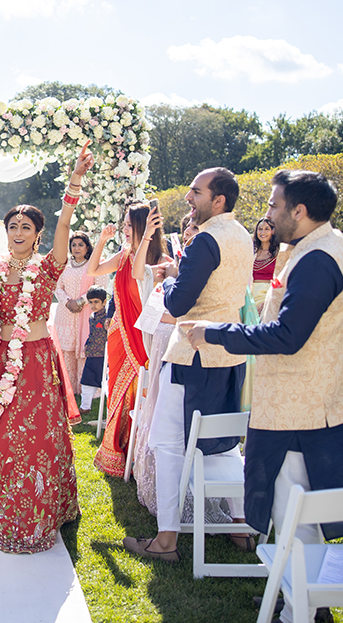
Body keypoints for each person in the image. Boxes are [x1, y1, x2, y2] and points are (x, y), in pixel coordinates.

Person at [183, 169, 343, 623]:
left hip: (302, 411)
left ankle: (302, 610)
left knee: (296, 512)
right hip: (299, 403)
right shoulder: (317, 245)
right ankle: (298, 599)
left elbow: (288, 335)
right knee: (294, 513)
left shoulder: (317, 260)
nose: (267, 214)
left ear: (298, 212)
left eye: (273, 205)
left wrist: (215, 332)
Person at [0, 142, 93, 554]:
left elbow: (65, 227)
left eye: (26, 227)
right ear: (5, 231)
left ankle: (40, 506)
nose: (18, 233)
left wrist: (74, 182)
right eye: (13, 226)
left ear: (38, 234)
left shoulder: (46, 267)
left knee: (37, 439)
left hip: (35, 362)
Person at [122, 168, 253, 562]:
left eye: (195, 192)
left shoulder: (205, 240)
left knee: (166, 442)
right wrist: (183, 272)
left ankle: (166, 541)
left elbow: (177, 305)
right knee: (223, 441)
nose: (187, 199)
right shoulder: (242, 235)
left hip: (192, 355)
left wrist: (171, 281)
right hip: (230, 350)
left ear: (218, 201)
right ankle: (241, 526)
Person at [88, 202, 168, 476]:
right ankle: (116, 448)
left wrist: (145, 238)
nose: (123, 229)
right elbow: (92, 270)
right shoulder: (122, 256)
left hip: (144, 336)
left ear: (143, 227)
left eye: (128, 225)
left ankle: (138, 450)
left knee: (141, 390)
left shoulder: (161, 262)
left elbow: (140, 276)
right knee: (119, 391)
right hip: (119, 335)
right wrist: (101, 240)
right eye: (123, 224)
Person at [132, 217, 197, 516]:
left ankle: (178, 487)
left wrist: (167, 282)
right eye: (187, 229)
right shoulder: (177, 261)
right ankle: (155, 475)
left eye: (195, 229)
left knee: (173, 410)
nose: (188, 234)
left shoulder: (194, 265)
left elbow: (182, 310)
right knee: (158, 400)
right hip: (161, 337)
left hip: (180, 338)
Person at [54, 231, 99, 396]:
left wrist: (79, 302)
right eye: (74, 245)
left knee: (83, 351)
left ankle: (84, 389)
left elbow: (98, 288)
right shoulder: (65, 266)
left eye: (81, 244)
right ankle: (68, 387)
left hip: (86, 312)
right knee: (67, 351)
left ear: (87, 247)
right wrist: (68, 302)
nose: (77, 248)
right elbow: (57, 287)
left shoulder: (94, 265)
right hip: (65, 314)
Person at [79, 286, 108, 412]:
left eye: (96, 302)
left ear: (104, 302)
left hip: (104, 356)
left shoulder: (108, 318)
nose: (93, 305)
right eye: (90, 302)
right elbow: (91, 333)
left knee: (107, 384)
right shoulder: (92, 316)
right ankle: (85, 407)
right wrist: (87, 344)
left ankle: (110, 411)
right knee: (87, 381)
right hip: (92, 355)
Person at [251, 217, 278, 314]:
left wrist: (267, 300)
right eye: (260, 229)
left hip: (268, 295)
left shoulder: (279, 253)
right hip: (250, 294)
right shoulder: (251, 251)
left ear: (273, 231)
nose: (263, 232)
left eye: (267, 229)